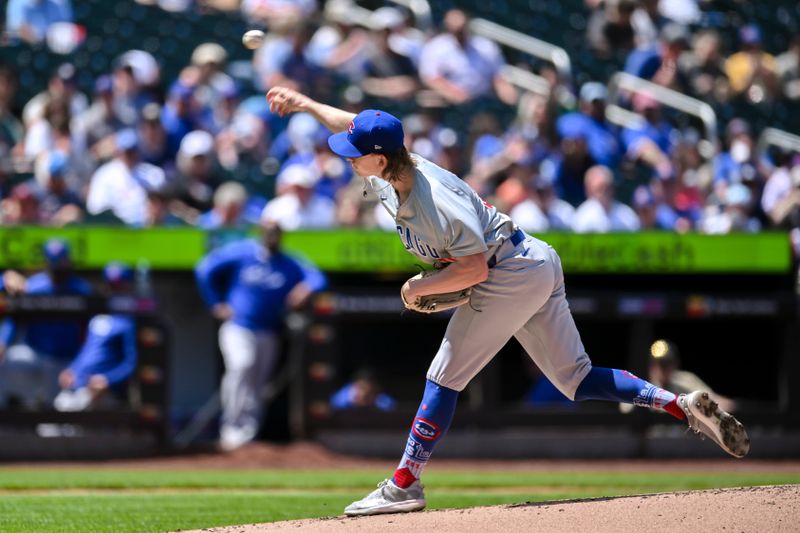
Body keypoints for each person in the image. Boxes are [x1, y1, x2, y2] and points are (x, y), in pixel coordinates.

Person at [266, 86, 751, 516]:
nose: (346, 157)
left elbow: (474, 270)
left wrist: (416, 288)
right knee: (576, 379)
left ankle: (403, 484)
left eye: (355, 152)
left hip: (506, 270)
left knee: (444, 376)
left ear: (379, 157)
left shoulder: (435, 202)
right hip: (533, 260)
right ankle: (679, 406)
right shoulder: (389, 169)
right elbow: (347, 124)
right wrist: (304, 103)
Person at [195, 221, 326, 451]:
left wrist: (304, 289)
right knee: (242, 366)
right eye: (268, 233)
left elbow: (317, 277)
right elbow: (205, 268)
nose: (271, 237)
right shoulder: (243, 251)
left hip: (269, 330)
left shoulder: (288, 262)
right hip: (238, 327)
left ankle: (248, 434)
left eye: (276, 233)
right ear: (261, 233)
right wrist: (216, 303)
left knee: (257, 382)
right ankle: (231, 430)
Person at [0, 238, 92, 408]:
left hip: (68, 362)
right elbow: (14, 319)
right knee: (9, 361)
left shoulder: (81, 290)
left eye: (62, 263)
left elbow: (91, 334)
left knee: (63, 411)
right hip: (36, 357)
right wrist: (3, 342)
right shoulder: (33, 287)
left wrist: (80, 365)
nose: (59, 268)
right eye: (55, 263)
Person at [53, 262, 139, 411]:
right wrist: (71, 369)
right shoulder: (97, 317)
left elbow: (131, 363)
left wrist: (107, 380)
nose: (113, 291)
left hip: (102, 393)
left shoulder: (128, 323)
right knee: (53, 417)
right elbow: (87, 351)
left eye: (119, 287)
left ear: (128, 287)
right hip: (77, 386)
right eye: (111, 286)